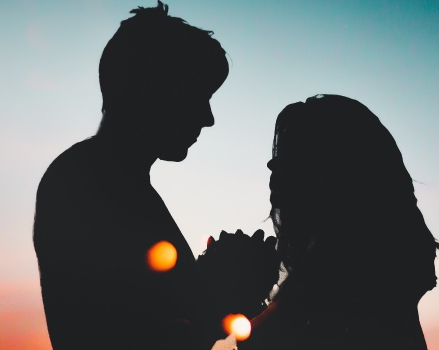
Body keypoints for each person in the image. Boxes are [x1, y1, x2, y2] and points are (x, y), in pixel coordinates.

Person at [33, 2, 274, 349]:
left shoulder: (114, 183)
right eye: (197, 96)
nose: (208, 118)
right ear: (153, 90)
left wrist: (223, 286)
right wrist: (224, 297)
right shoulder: (84, 185)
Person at [240, 95, 439, 350]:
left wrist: (231, 291)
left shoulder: (339, 269)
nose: (273, 167)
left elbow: (252, 342)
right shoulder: (377, 260)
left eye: (294, 155)